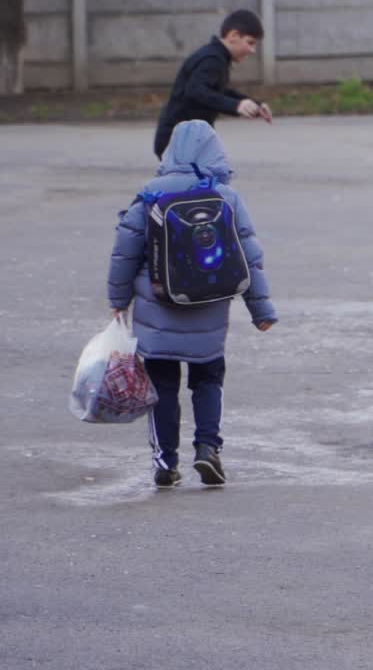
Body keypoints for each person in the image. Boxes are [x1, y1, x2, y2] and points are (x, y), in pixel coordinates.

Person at [109, 120, 277, 487]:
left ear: (171, 151)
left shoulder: (151, 194)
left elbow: (125, 252)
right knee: (208, 380)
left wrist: (117, 301)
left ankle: (165, 463)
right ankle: (207, 449)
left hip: (158, 310)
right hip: (210, 309)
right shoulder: (226, 196)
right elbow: (249, 257)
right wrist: (261, 311)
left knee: (162, 387)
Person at [153, 10, 272, 160]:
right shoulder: (212, 59)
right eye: (250, 43)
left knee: (209, 176)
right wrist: (235, 105)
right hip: (179, 140)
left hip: (189, 139)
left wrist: (251, 104)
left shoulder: (216, 56)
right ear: (233, 35)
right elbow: (196, 91)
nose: (252, 50)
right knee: (204, 178)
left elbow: (217, 92)